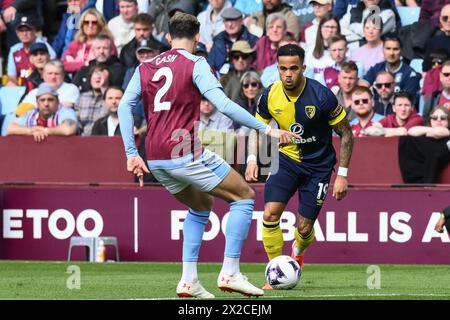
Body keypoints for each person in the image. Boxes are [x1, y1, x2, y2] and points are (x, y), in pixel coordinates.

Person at [118, 12, 298, 298]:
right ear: (197, 37)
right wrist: (267, 130)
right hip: (183, 150)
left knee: (201, 206)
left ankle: (188, 280)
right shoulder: (196, 63)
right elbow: (224, 105)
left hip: (154, 156)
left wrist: (131, 152)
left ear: (167, 38)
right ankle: (231, 272)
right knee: (244, 196)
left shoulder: (146, 65)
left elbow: (124, 106)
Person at [245, 44, 354, 289]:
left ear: (303, 68)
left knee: (304, 228)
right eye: (283, 69)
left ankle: (298, 252)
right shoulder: (269, 95)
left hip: (319, 167)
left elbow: (346, 133)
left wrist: (343, 175)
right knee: (270, 213)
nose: (288, 74)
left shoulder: (322, 96)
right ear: (277, 68)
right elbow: (256, 127)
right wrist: (252, 159)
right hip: (287, 161)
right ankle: (276, 273)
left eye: (294, 68)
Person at [6, 83, 78, 142]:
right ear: (37, 103)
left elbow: (69, 129)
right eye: (42, 100)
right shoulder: (32, 114)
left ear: (57, 102)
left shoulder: (65, 111)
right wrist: (31, 131)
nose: (46, 104)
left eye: (50, 100)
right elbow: (10, 128)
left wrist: (44, 130)